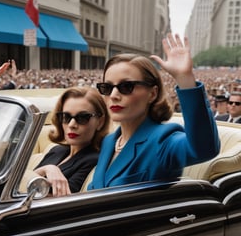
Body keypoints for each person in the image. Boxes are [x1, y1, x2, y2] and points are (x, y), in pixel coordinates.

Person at [88, 33, 220, 190]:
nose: (114, 95)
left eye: (126, 87)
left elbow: (203, 149)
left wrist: (185, 79)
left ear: (152, 93)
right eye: (107, 88)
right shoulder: (109, 141)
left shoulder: (162, 140)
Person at [34, 87, 110, 197]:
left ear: (100, 122)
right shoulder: (56, 150)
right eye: (66, 117)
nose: (71, 124)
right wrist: (47, 169)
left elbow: (60, 197)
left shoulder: (95, 159)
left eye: (83, 117)